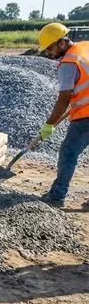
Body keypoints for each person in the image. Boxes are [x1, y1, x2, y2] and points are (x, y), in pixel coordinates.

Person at [37, 23, 89, 208]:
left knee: (68, 152)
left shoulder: (68, 63)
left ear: (61, 43)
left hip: (86, 114)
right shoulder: (85, 47)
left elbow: (63, 99)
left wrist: (49, 124)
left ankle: (57, 196)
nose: (48, 53)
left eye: (50, 48)